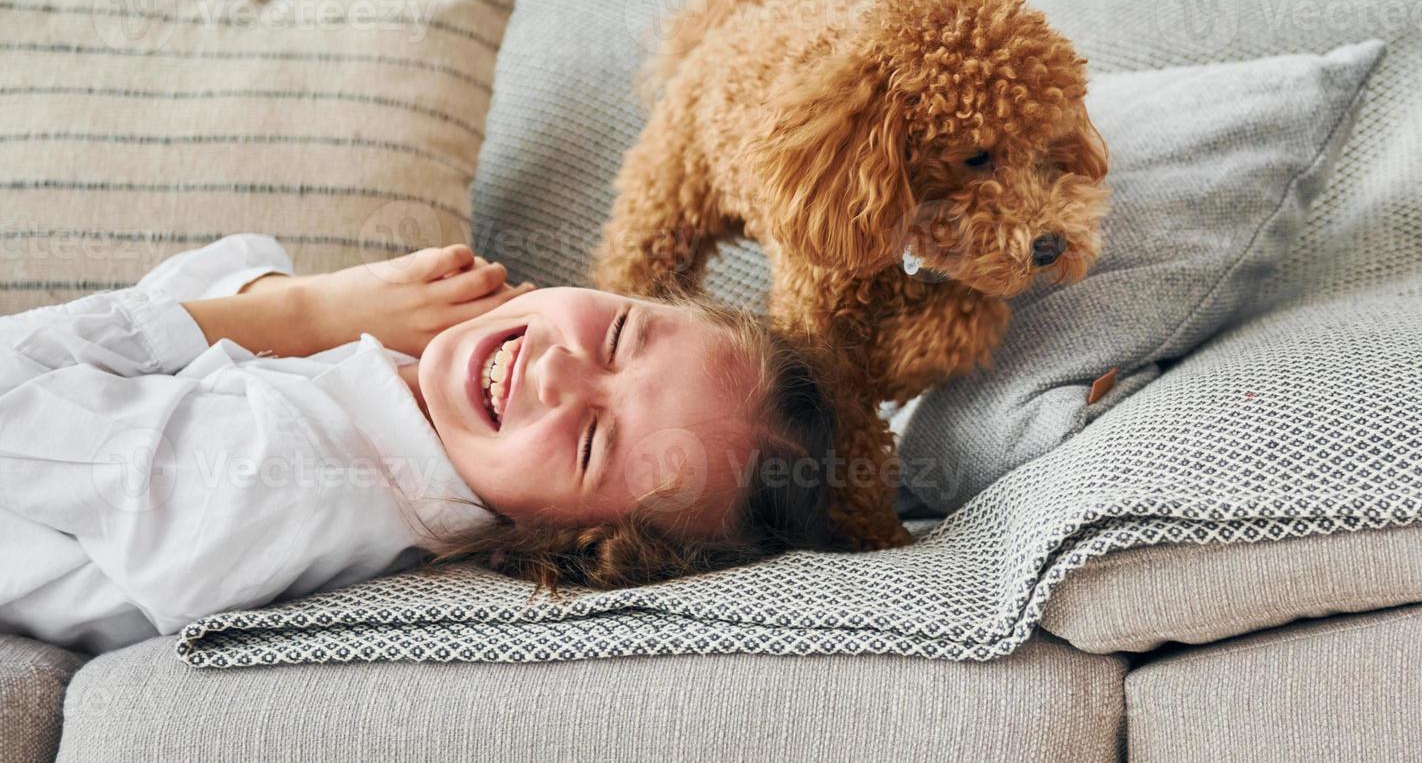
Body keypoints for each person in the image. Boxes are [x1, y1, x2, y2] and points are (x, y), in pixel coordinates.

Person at [0, 234, 838, 653]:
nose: (558, 373)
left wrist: (297, 314)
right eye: (619, 332)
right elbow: (195, 279)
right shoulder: (409, 394)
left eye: (589, 443)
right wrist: (281, 298)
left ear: (558, 545)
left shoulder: (290, 475)